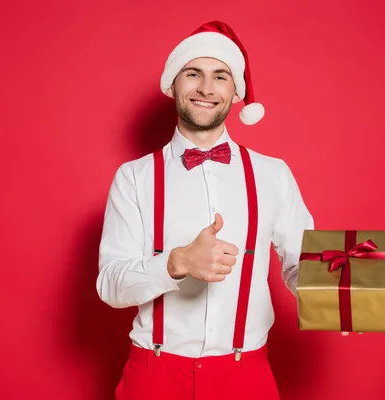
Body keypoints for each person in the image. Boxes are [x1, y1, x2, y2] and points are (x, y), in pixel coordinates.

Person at [96, 21, 314, 400]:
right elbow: (109, 285)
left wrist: (343, 304)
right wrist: (176, 262)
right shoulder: (134, 177)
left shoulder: (272, 175)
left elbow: (301, 265)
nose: (206, 88)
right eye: (193, 73)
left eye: (221, 76)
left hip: (246, 375)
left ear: (235, 91)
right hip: (154, 373)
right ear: (173, 84)